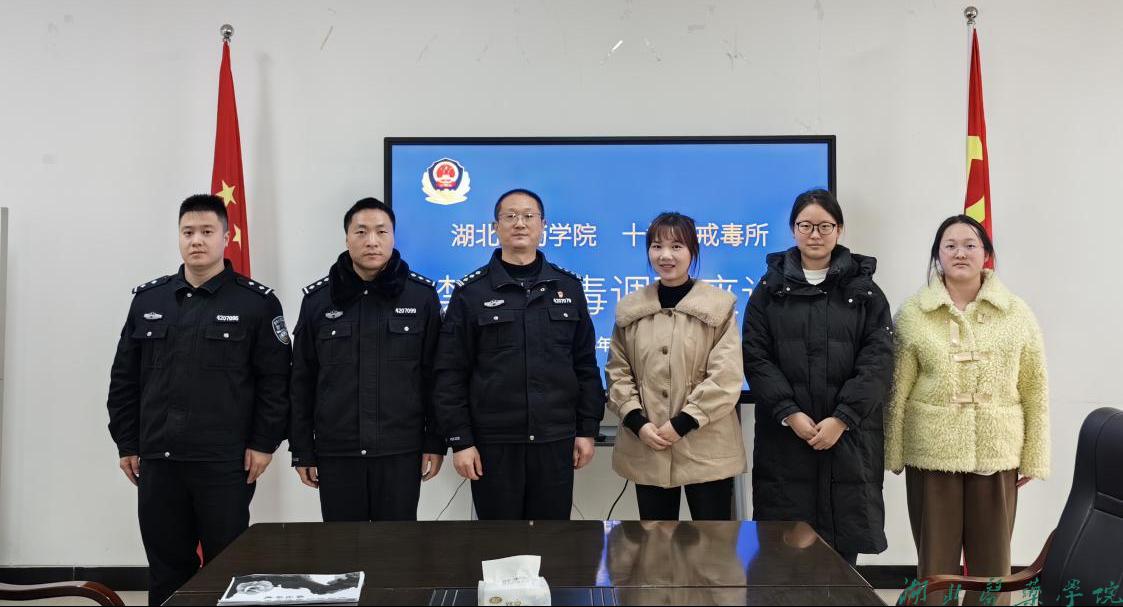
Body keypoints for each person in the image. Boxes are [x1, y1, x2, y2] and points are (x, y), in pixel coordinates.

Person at [106, 194, 291, 606]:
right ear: (178, 237)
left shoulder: (256, 303)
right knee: (167, 569)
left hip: (223, 463)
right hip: (159, 460)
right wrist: (128, 443)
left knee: (228, 568)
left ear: (227, 236)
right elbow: (124, 380)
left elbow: (276, 382)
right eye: (188, 232)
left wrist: (264, 443)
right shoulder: (149, 301)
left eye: (207, 231)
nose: (197, 240)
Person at [885, 215, 1049, 605]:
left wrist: (1033, 454)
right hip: (932, 451)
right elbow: (895, 389)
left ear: (986, 253)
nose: (960, 253)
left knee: (993, 567)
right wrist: (893, 451)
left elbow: (1035, 388)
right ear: (937, 255)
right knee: (935, 565)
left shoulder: (1016, 313)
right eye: (950, 245)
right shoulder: (913, 314)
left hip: (996, 450)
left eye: (970, 245)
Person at [434, 188, 605, 520]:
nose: (520, 224)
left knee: (552, 538)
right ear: (495, 227)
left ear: (543, 225)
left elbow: (585, 364)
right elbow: (450, 373)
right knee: (499, 542)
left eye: (529, 216)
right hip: (494, 443)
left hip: (555, 439)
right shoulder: (471, 293)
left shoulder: (568, 288)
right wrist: (461, 440)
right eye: (510, 216)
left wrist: (587, 429)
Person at [742, 188, 892, 565]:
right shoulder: (768, 291)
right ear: (793, 229)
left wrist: (842, 418)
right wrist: (789, 413)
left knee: (842, 556)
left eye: (824, 226)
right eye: (805, 225)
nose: (815, 234)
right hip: (785, 438)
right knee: (784, 556)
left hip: (848, 438)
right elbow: (756, 358)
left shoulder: (866, 292)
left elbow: (878, 362)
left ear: (839, 230)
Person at [289, 197, 445, 521]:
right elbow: (302, 380)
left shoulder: (421, 297)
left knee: (396, 544)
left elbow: (435, 376)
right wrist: (302, 449)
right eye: (361, 232)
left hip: (401, 450)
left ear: (393, 237)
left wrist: (435, 441)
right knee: (343, 546)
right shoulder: (318, 301)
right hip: (337, 451)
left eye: (381, 232)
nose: (371, 241)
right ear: (347, 238)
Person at [605, 211, 746, 520]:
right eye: (656, 246)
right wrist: (637, 422)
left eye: (676, 246)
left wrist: (683, 423)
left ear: (692, 251)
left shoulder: (719, 306)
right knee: (655, 540)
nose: (665, 255)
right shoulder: (630, 309)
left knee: (712, 543)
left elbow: (726, 376)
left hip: (707, 446)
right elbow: (617, 372)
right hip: (648, 443)